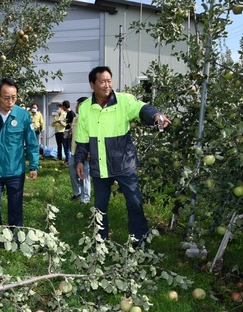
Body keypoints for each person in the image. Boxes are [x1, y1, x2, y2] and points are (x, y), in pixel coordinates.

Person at [74, 66, 170, 245]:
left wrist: (156, 116)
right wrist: (79, 160)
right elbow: (82, 139)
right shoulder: (86, 107)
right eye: (102, 81)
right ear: (92, 84)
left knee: (134, 203)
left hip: (124, 163)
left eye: (109, 81)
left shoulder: (124, 101)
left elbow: (141, 109)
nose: (106, 85)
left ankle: (138, 241)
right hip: (100, 165)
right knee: (100, 208)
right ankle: (100, 243)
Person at [0, 78, 39, 234]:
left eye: (14, 97)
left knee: (15, 206)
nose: (10, 101)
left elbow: (31, 141)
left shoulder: (23, 115)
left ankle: (15, 236)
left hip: (15, 171)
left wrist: (34, 164)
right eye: (6, 98)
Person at [68, 97, 90, 202]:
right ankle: (77, 193)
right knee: (73, 174)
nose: (76, 107)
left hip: (84, 152)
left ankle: (85, 199)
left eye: (78, 105)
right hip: (73, 151)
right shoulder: (75, 119)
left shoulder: (88, 119)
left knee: (83, 176)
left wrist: (89, 151)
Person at [62, 100, 75, 165]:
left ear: (64, 106)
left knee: (68, 147)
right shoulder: (68, 113)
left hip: (69, 132)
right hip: (66, 131)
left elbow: (72, 124)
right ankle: (67, 160)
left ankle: (68, 161)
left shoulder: (71, 113)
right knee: (65, 146)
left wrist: (70, 132)